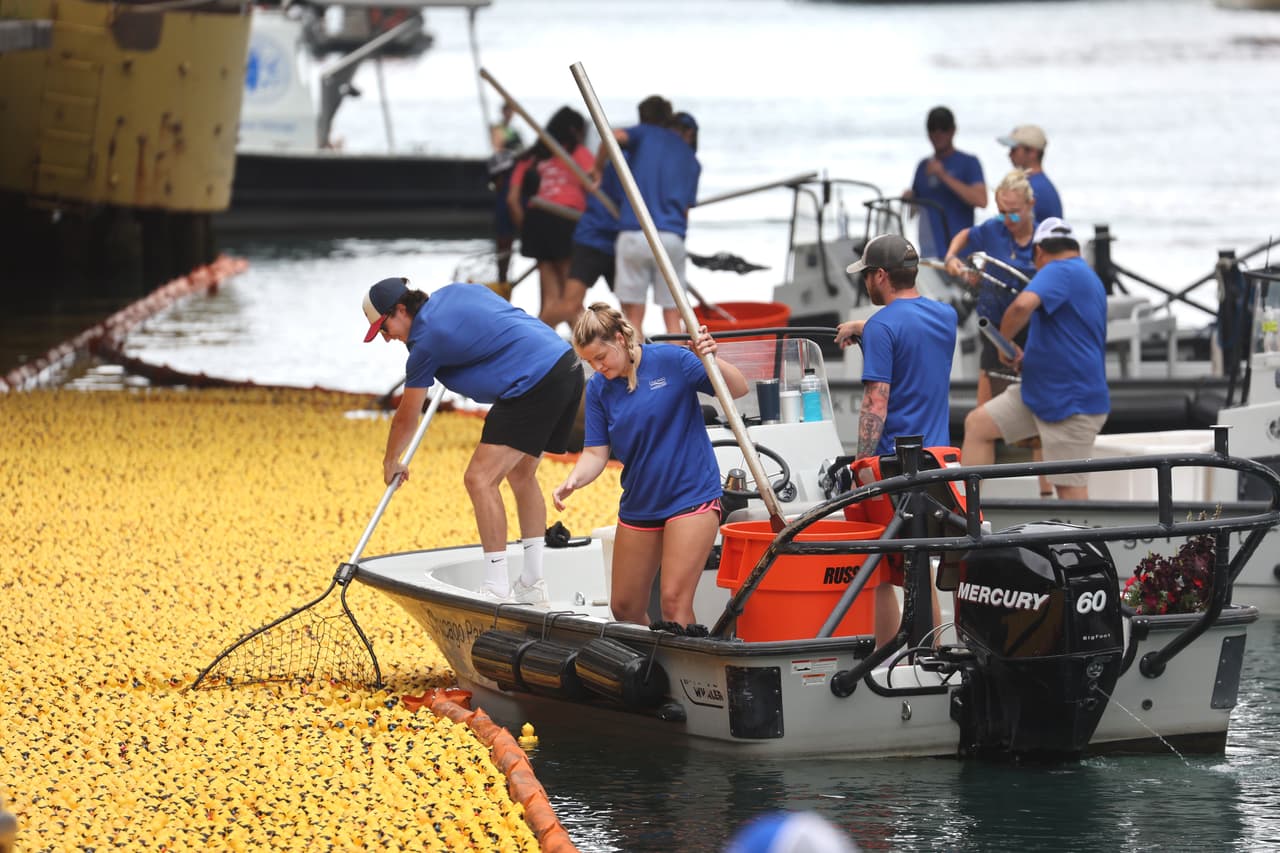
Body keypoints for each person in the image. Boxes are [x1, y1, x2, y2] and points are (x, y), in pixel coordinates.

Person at [362, 276, 584, 603]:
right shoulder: (454, 293)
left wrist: (390, 460)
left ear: (401, 309)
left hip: (532, 382)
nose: (386, 338)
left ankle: (496, 586)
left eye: (384, 327)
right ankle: (532, 583)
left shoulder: (426, 343)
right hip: (565, 365)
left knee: (479, 479)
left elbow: (407, 417)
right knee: (521, 474)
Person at [552, 303, 747, 627]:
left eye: (601, 357)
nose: (597, 367)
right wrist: (573, 480)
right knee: (624, 607)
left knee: (673, 603)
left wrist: (709, 359)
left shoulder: (673, 360)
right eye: (589, 362)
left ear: (620, 339)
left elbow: (738, 389)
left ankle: (685, 659)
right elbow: (596, 454)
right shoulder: (598, 388)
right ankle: (652, 658)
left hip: (690, 496)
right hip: (641, 501)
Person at [835, 234, 955, 646]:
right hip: (936, 462)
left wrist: (860, 467)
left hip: (892, 466)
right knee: (909, 566)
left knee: (883, 570)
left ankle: (905, 654)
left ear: (881, 275)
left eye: (867, 274)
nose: (865, 281)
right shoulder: (945, 317)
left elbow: (876, 403)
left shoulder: (883, 327)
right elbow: (911, 325)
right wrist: (863, 328)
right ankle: (917, 653)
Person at [961, 218, 1110, 500]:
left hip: (1071, 403)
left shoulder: (1059, 269)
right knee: (978, 425)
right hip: (1038, 393)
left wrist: (1004, 343)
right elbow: (1069, 336)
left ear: (1039, 251)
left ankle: (1081, 532)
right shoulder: (1084, 275)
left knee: (1068, 488)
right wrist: (1029, 359)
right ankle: (968, 514)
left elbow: (1021, 306)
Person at [594, 96, 701, 334]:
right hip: (672, 237)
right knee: (673, 317)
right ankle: (678, 358)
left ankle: (636, 359)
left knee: (632, 318)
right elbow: (685, 211)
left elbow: (612, 137)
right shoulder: (690, 158)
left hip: (634, 233)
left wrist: (598, 169)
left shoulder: (643, 135)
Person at [943, 170, 1039, 405]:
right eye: (1002, 212)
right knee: (985, 410)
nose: (1008, 220)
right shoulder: (995, 228)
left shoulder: (1042, 240)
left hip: (1032, 331)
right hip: (994, 330)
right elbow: (966, 235)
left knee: (1032, 406)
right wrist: (951, 257)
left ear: (1030, 204)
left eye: (1014, 213)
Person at [507, 106, 596, 325]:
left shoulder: (531, 156)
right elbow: (596, 186)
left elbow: (512, 200)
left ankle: (545, 340)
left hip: (536, 221)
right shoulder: (578, 153)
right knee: (571, 300)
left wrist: (526, 229)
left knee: (551, 301)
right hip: (567, 221)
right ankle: (583, 341)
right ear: (575, 131)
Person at [906, 106, 987, 260]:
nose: (938, 134)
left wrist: (943, 176)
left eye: (943, 128)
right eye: (932, 128)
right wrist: (909, 198)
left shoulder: (969, 162)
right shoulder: (923, 166)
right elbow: (912, 213)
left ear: (953, 130)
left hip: (959, 255)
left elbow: (981, 200)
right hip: (928, 254)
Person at [487, 102, 524, 285]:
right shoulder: (498, 129)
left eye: (511, 111)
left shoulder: (515, 132)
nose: (509, 114)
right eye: (507, 110)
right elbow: (497, 148)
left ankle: (505, 277)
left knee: (509, 232)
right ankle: (502, 277)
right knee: (504, 236)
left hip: (515, 178)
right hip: (505, 179)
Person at [998, 124, 1062, 222]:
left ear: (1032, 152)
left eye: (1014, 150)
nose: (1009, 154)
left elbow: (1013, 225)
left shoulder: (1032, 189)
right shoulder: (1041, 184)